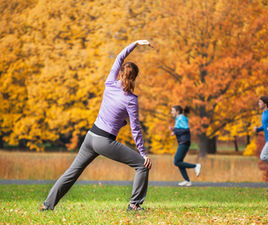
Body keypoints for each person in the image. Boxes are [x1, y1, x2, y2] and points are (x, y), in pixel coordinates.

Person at [40, 40, 153, 212]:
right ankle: (134, 204)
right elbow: (135, 129)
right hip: (104, 141)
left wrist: (135, 43)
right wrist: (143, 153)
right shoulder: (131, 100)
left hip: (90, 136)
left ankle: (47, 205)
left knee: (72, 173)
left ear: (121, 73)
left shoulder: (109, 83)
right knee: (141, 165)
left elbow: (119, 57)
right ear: (135, 77)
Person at [169, 105, 201, 186]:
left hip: (184, 142)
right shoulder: (179, 118)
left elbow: (186, 129)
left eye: (172, 111)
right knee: (179, 162)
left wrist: (174, 130)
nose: (171, 112)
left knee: (176, 161)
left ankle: (196, 166)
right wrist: (174, 130)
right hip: (183, 141)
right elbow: (181, 129)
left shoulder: (181, 118)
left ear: (177, 111)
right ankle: (187, 181)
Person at [254, 96, 268, 164]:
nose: (259, 104)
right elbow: (264, 126)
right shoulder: (263, 113)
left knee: (263, 156)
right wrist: (258, 129)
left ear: (265, 104)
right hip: (267, 139)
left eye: (260, 102)